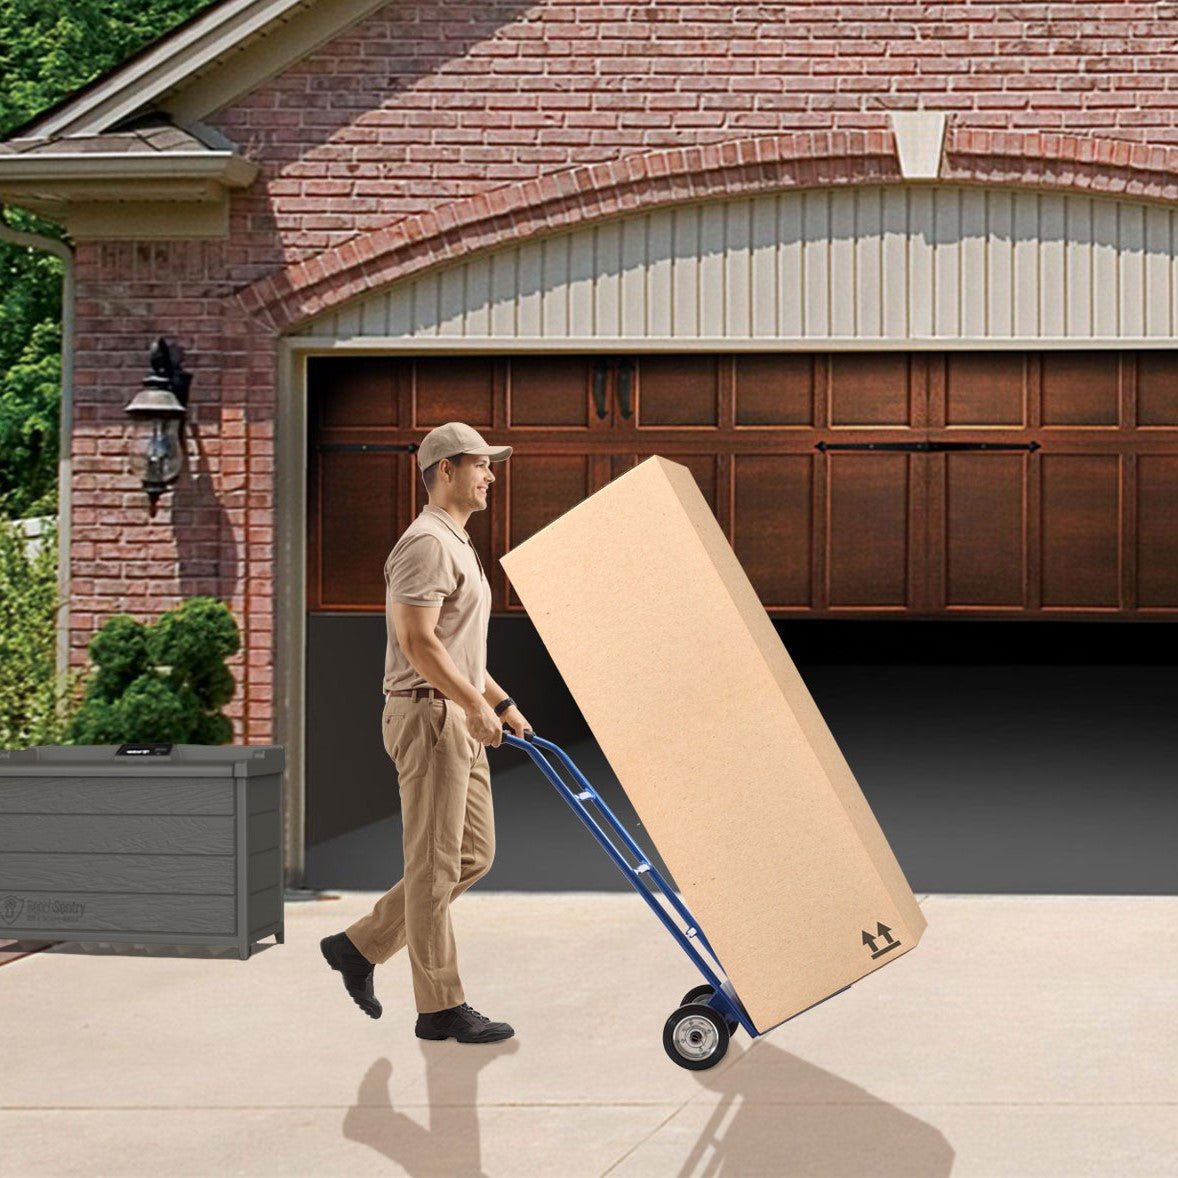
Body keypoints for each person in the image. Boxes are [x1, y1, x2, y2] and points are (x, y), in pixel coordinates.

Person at [321, 421, 532, 1044]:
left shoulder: (457, 543)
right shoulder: (426, 545)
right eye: (481, 465)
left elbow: (455, 644)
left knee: (471, 855)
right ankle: (440, 1007)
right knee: (435, 865)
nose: (492, 475)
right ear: (446, 469)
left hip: (456, 714)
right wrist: (470, 703)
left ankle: (359, 946)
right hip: (430, 716)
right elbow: (416, 641)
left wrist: (500, 700)